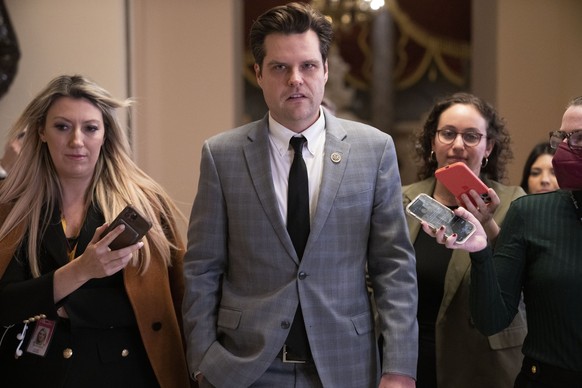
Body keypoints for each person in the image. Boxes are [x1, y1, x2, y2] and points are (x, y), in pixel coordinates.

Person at [182, 3, 418, 388]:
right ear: (258, 73)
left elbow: (393, 268)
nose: (295, 79)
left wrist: (399, 367)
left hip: (345, 365)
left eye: (308, 66)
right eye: (279, 67)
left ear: (326, 70)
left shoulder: (374, 149)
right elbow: (202, 269)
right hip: (245, 368)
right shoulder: (221, 155)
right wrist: (202, 361)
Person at [0, 74, 192, 388]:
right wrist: (82, 271)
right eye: (62, 127)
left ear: (105, 134)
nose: (77, 141)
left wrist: (59, 305)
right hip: (31, 375)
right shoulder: (13, 208)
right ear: (41, 132)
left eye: (90, 128)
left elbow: (164, 306)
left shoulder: (145, 205)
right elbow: (5, 306)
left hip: (124, 376)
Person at [423, 95, 582, 387]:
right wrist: (481, 251)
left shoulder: (514, 202)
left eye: (580, 138)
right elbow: (491, 320)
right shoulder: (530, 212)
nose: (565, 148)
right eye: (562, 137)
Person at [402, 92, 527, 388]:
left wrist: (488, 224)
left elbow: (521, 278)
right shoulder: (402, 198)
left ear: (488, 148)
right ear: (433, 142)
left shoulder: (514, 203)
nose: (458, 145)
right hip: (408, 358)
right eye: (448, 134)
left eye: (471, 136)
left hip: (480, 361)